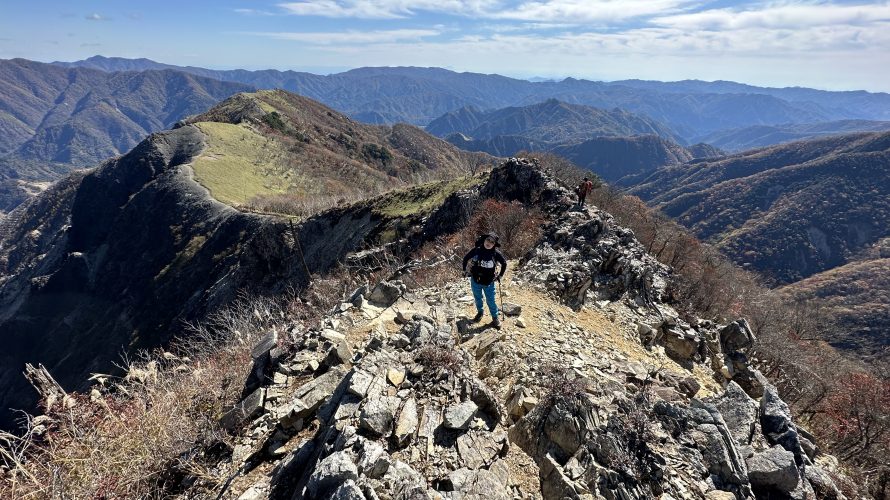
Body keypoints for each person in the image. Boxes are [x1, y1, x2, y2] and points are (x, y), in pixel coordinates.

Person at [462, 233, 507, 328]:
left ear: (494, 244)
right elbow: (465, 258)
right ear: (484, 240)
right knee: (478, 298)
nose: (489, 243)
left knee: (491, 301)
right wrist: (464, 270)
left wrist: (500, 275)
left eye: (492, 242)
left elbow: (504, 263)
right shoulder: (477, 250)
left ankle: (495, 318)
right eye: (488, 240)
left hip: (489, 282)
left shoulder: (495, 253)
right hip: (475, 280)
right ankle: (480, 313)